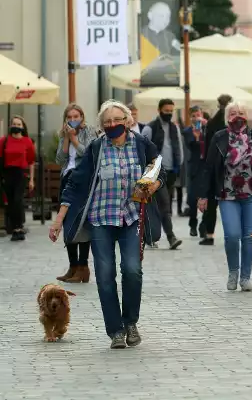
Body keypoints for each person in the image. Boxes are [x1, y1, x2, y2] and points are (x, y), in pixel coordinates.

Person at [48, 100, 166, 349]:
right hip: (101, 219)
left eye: (117, 120)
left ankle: (130, 322)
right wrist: (59, 219)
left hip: (132, 217)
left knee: (132, 270)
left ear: (127, 120)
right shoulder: (96, 148)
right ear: (102, 125)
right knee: (104, 275)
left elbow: (159, 169)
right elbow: (75, 184)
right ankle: (115, 330)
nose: (112, 125)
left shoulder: (142, 144)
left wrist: (152, 185)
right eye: (107, 121)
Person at [198, 101, 252, 291]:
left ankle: (245, 277)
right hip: (227, 195)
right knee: (232, 235)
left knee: (249, 236)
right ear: (227, 117)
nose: (237, 116)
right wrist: (203, 195)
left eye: (241, 112)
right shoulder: (219, 137)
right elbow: (209, 168)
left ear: (247, 116)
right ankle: (233, 271)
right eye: (233, 113)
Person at [55, 104, 98, 283]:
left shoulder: (89, 131)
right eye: (69, 117)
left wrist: (74, 140)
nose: (73, 120)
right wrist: (66, 138)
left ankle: (83, 267)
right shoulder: (64, 134)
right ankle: (72, 266)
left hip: (83, 180)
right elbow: (59, 159)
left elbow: (88, 154)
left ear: (82, 116)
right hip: (67, 178)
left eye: (76, 116)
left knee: (81, 222)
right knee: (67, 222)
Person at [141, 98, 183, 249]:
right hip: (156, 173)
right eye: (166, 111)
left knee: (161, 205)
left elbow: (178, 146)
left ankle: (149, 235)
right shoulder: (149, 128)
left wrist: (179, 164)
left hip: (171, 172)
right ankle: (171, 237)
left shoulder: (174, 127)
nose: (169, 114)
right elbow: (143, 151)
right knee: (164, 204)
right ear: (159, 110)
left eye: (171, 111)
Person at [199, 95, 232, 246]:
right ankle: (232, 234)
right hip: (230, 169)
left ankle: (209, 234)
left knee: (211, 203)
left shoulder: (212, 123)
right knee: (230, 203)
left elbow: (206, 149)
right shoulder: (232, 122)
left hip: (213, 167)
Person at [0, 116, 35, 241]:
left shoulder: (27, 141)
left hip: (21, 174)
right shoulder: (4, 141)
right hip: (7, 174)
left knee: (17, 200)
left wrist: (32, 179)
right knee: (10, 202)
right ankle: (14, 229)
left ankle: (19, 227)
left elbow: (31, 161)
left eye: (19, 124)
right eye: (14, 124)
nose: (16, 126)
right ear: (10, 126)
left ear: (22, 127)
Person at [183, 107, 209, 238]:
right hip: (194, 170)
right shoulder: (187, 131)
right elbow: (190, 145)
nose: (196, 118)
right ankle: (193, 224)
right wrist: (196, 137)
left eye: (198, 115)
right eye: (193, 116)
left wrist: (204, 129)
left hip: (206, 169)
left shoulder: (208, 129)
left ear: (202, 115)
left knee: (207, 198)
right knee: (193, 199)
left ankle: (203, 226)